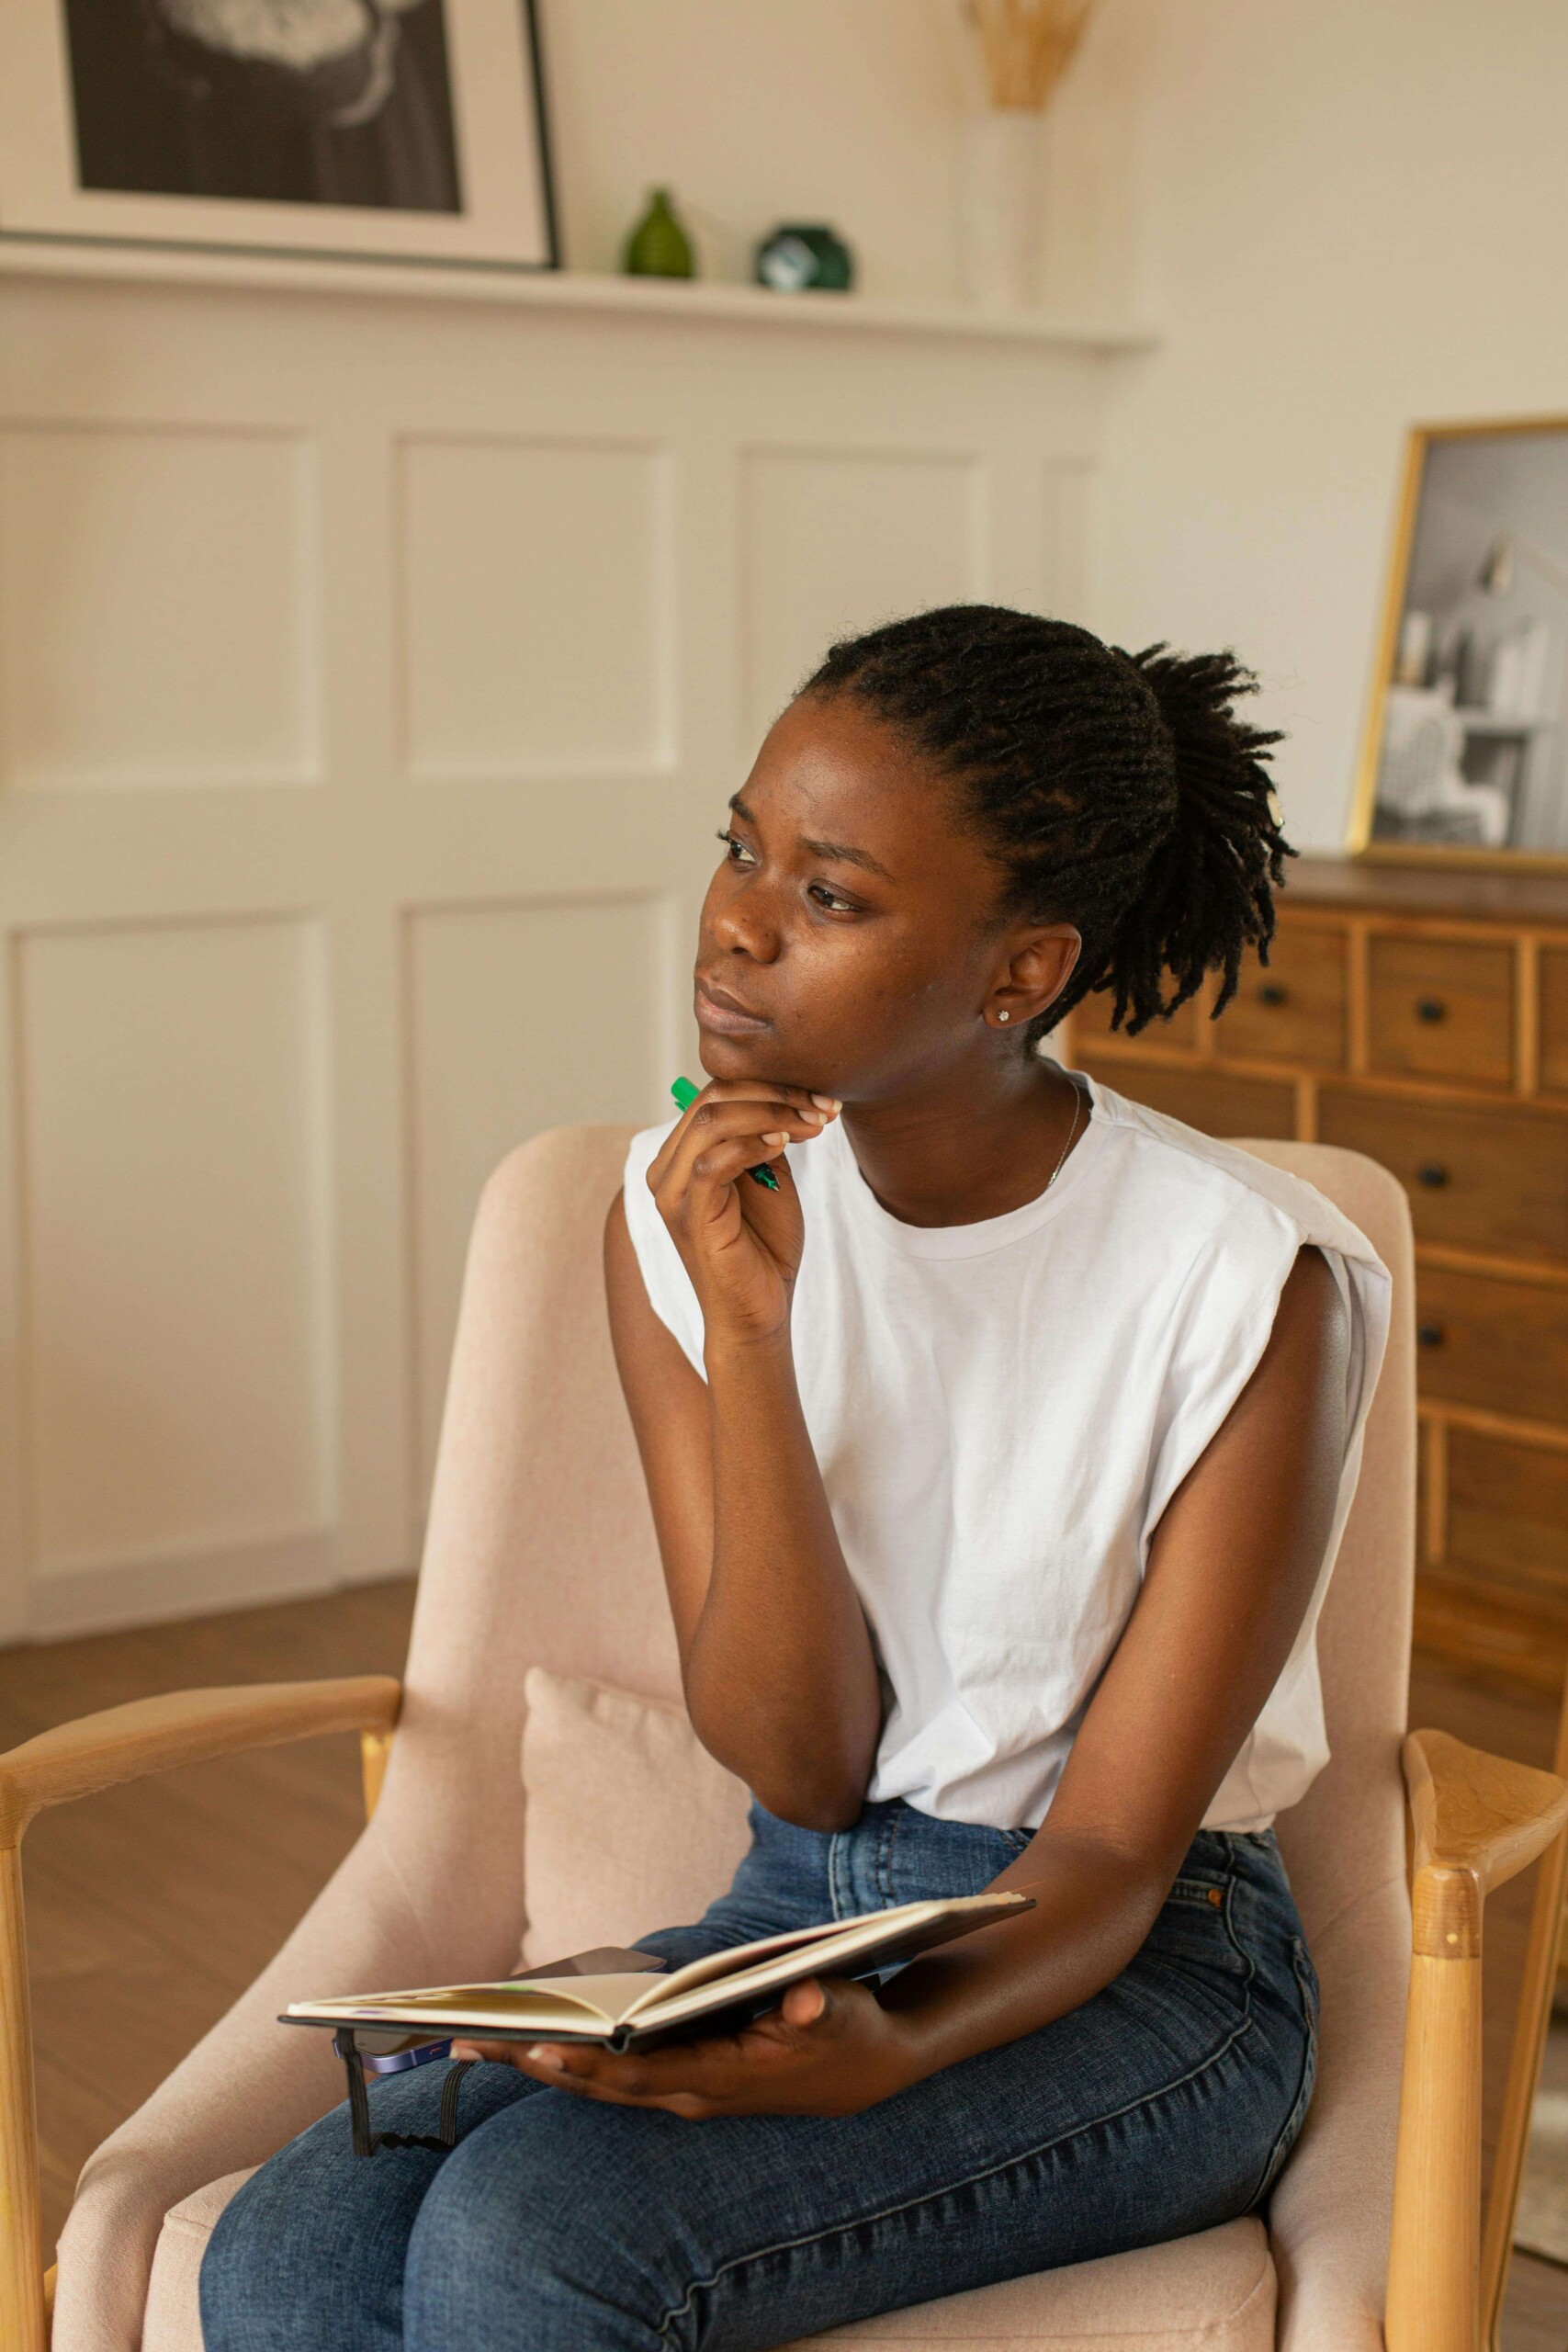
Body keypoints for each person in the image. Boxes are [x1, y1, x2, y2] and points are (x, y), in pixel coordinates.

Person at [201, 605, 1389, 2351]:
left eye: (829, 896)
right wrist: (753, 1330)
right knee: (292, 2250)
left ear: (1020, 973)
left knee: (539, 2245)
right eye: (740, 849)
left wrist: (895, 2044)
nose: (738, 926)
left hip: (1137, 1969)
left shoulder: (1244, 1281)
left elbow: (1123, 1848)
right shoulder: (677, 1223)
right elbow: (803, 1762)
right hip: (795, 1910)